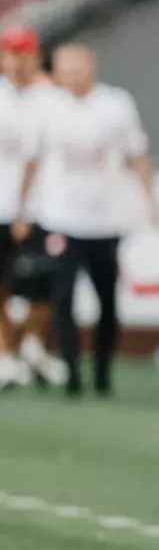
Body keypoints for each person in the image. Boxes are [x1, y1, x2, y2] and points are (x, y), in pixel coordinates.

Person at [15, 43, 159, 397]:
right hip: (61, 220)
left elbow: (138, 154)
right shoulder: (47, 107)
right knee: (62, 299)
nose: (73, 74)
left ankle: (102, 371)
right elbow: (32, 160)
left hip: (105, 223)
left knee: (107, 301)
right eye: (66, 67)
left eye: (78, 66)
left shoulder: (116, 104)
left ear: (91, 65)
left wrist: (151, 200)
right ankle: (71, 372)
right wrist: (23, 209)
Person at [0, 25, 68, 390]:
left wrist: (25, 210)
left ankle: (31, 344)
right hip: (2, 205)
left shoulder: (51, 99)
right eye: (11, 54)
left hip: (44, 207)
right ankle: (5, 353)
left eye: (24, 54)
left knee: (44, 281)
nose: (17, 62)